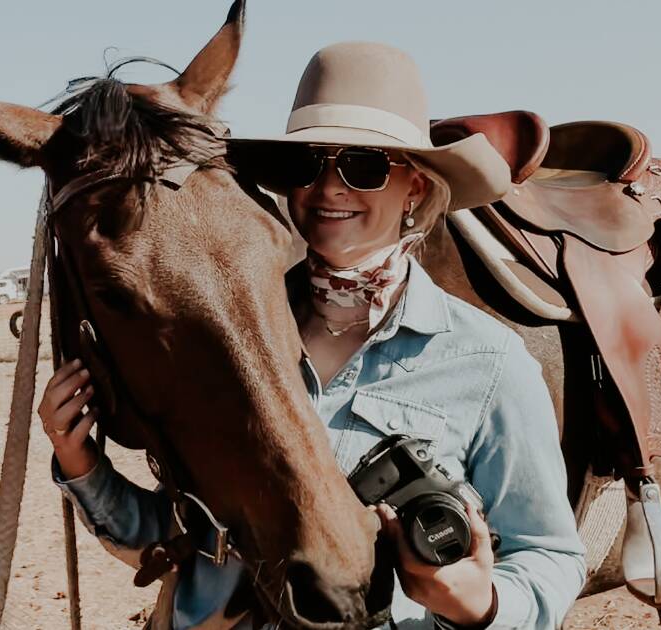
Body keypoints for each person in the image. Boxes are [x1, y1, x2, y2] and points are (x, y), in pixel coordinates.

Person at [38, 42, 586, 629]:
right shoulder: (230, 335)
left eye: (365, 165)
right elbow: (190, 532)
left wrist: (483, 604)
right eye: (306, 164)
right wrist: (82, 464)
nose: (329, 188)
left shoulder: (487, 361)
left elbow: (550, 555)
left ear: (417, 189)